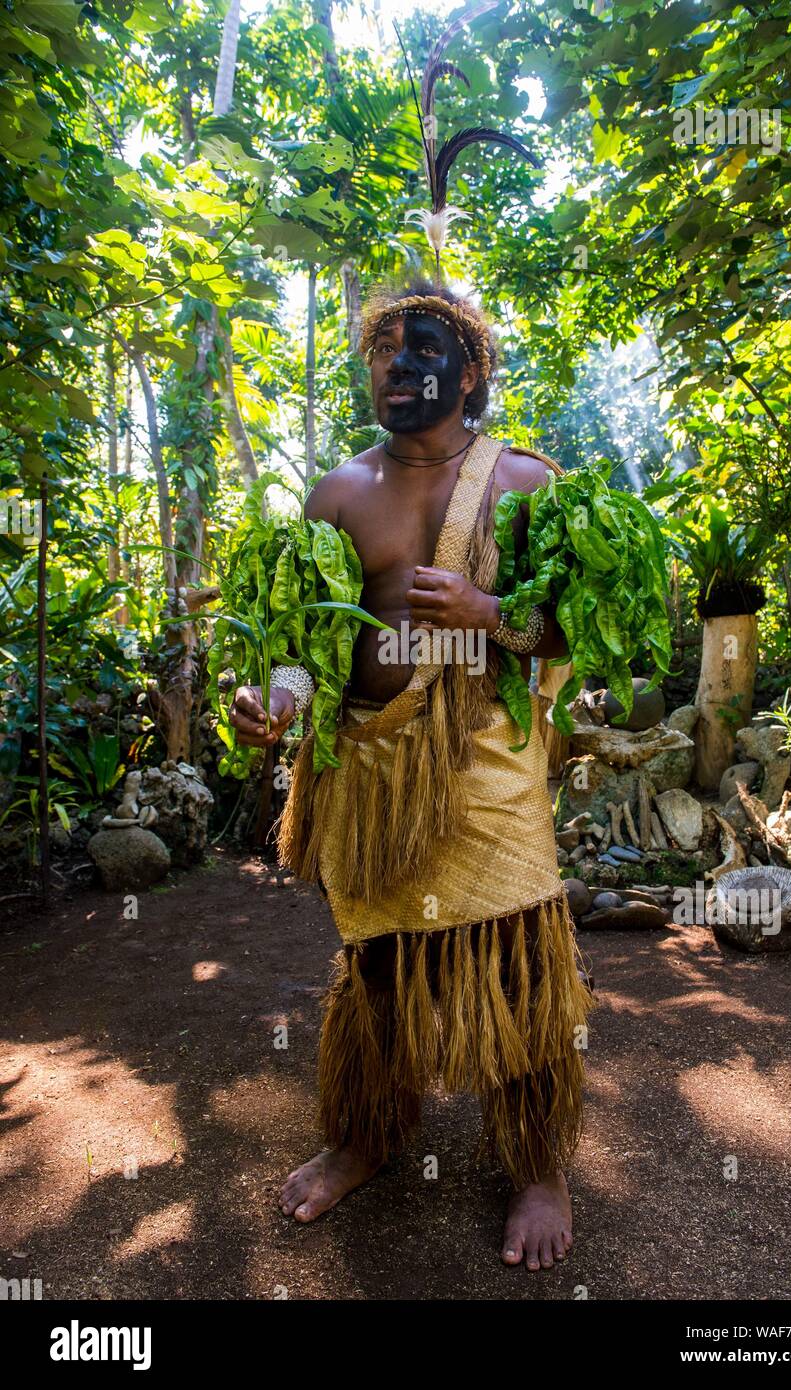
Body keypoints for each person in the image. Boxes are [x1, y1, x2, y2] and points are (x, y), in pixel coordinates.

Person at [229, 278, 594, 1272]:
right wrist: (280, 702)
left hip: (485, 762)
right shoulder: (339, 493)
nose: (399, 368)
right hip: (371, 774)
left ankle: (534, 1165)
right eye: (384, 353)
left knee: (515, 964)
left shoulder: (524, 484)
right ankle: (367, 1133)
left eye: (422, 348)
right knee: (379, 963)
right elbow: (307, 646)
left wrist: (485, 612)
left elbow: (568, 630)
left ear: (471, 369)